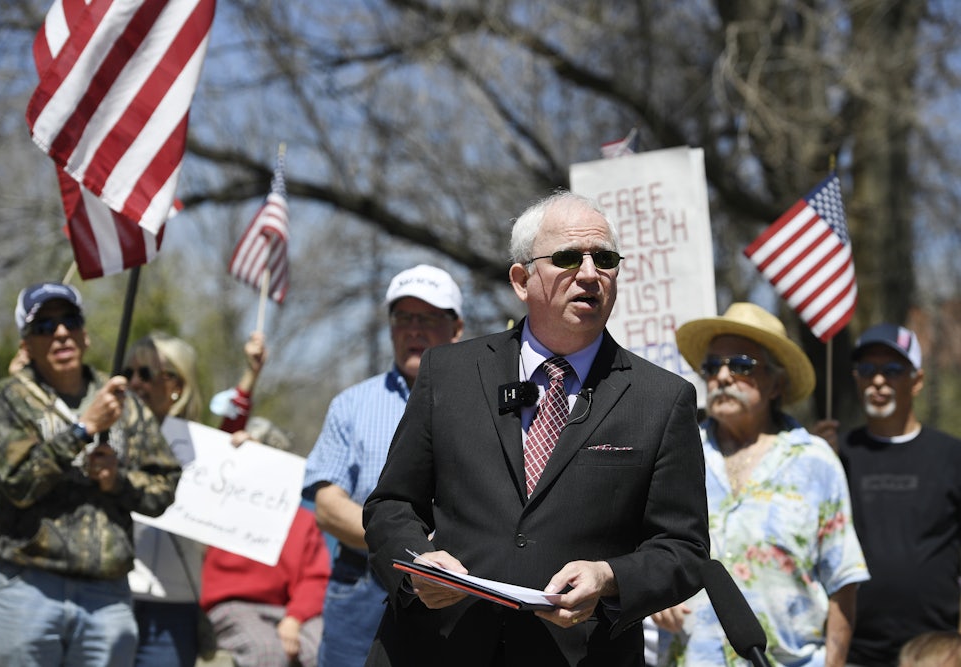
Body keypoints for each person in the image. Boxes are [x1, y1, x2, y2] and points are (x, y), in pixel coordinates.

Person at [362, 191, 710, 666]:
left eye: (605, 259)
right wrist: (415, 566)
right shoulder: (449, 372)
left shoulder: (663, 399)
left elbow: (684, 549)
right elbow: (391, 504)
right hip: (436, 647)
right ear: (522, 280)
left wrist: (609, 578)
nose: (589, 273)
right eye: (567, 258)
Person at [653, 302, 869, 666]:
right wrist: (655, 595)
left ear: (776, 384)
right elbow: (648, 550)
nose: (723, 377)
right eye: (712, 366)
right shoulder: (676, 452)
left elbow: (843, 583)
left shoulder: (815, 461)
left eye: (741, 365)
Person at [0, 282, 181, 666]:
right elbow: (17, 483)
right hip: (28, 587)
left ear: (84, 335)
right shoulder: (8, 399)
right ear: (26, 344)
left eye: (69, 321)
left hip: (106, 597)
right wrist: (82, 430)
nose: (60, 333)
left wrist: (117, 481)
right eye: (44, 326)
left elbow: (164, 487)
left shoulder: (122, 401)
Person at [302, 263, 464, 667]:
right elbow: (327, 508)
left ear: (457, 328)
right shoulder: (351, 405)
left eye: (428, 318)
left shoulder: (486, 404)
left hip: (460, 589)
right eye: (404, 318)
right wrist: (410, 548)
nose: (414, 330)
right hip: (362, 587)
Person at [126, 330, 268, 667]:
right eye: (127, 372)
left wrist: (249, 459)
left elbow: (229, 434)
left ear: (176, 384)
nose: (134, 382)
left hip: (173, 610)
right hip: (112, 598)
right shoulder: (108, 432)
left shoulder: (201, 447)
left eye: (146, 373)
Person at [838, 324, 961, 667]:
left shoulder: (952, 455)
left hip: (935, 652)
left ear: (917, 381)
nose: (878, 380)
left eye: (892, 369)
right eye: (867, 369)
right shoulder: (834, 455)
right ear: (856, 378)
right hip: (853, 650)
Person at [201, 418, 331, 667]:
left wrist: (294, 618)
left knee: (323, 651)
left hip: (287, 610)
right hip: (232, 605)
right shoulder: (220, 501)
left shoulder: (302, 520)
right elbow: (207, 464)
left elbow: (316, 578)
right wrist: (233, 442)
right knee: (266, 653)